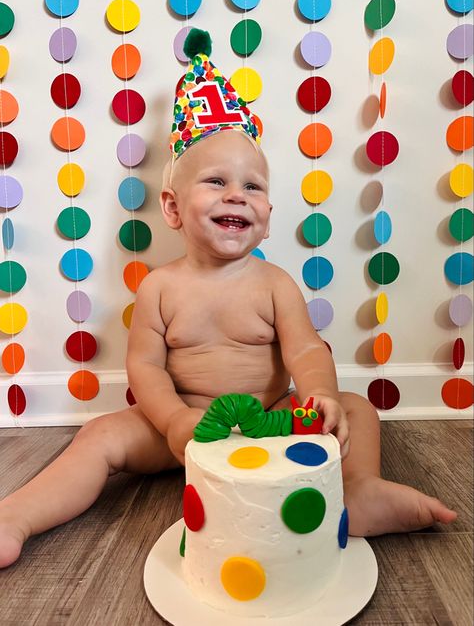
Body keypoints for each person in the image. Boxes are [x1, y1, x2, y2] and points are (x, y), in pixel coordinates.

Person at [0, 31, 456, 570]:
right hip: (184, 426)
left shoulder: (274, 282)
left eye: (253, 186)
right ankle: (18, 516)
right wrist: (170, 420)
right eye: (216, 181)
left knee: (356, 407)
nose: (236, 194)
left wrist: (316, 397)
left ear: (266, 217)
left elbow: (308, 351)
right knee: (101, 434)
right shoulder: (160, 287)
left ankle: (356, 493)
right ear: (171, 208)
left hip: (270, 420)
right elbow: (144, 366)